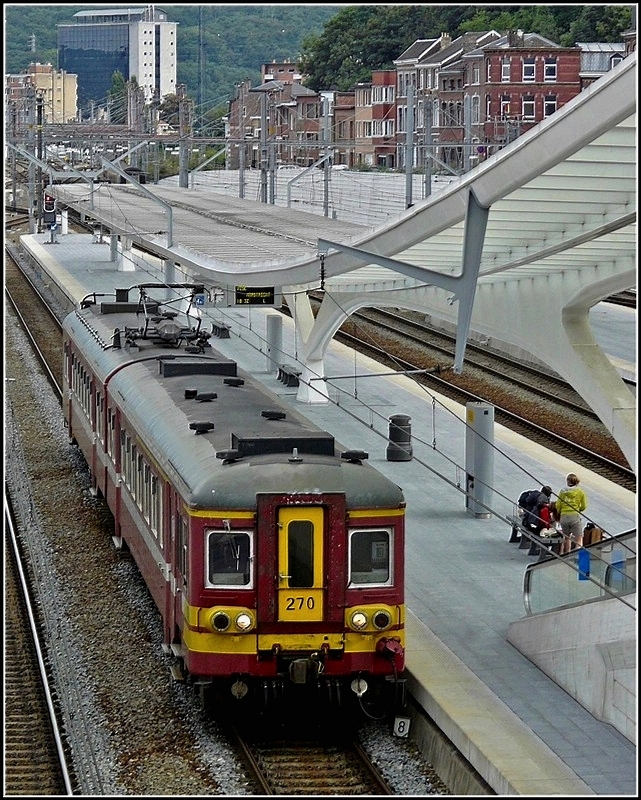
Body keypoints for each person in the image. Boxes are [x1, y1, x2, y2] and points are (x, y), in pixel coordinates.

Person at [556, 473, 587, 555]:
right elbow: (584, 506)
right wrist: (578, 510)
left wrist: (560, 512)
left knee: (566, 537)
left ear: (567, 481)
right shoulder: (580, 492)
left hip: (564, 516)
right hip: (574, 516)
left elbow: (558, 505)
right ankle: (577, 555)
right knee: (579, 538)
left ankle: (567, 554)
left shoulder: (563, 492)